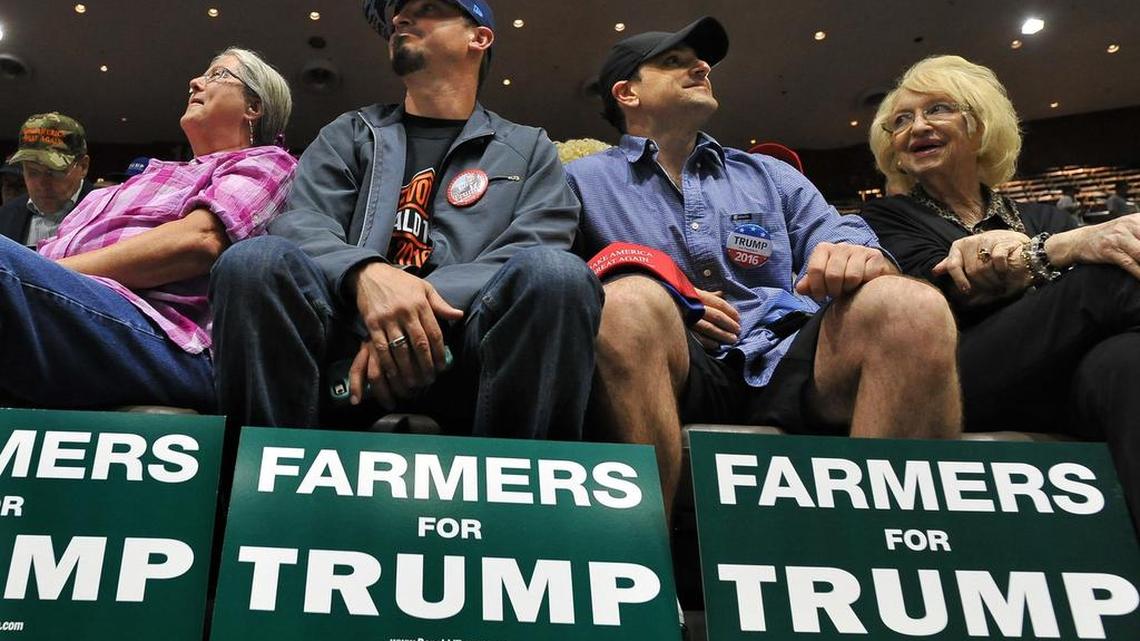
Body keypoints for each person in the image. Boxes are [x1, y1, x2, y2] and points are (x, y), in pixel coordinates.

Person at [565, 17, 962, 515]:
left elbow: (840, 231)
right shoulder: (578, 181)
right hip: (673, 363)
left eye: (701, 63)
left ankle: (894, 564)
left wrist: (855, 253)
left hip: (788, 355)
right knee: (626, 304)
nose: (701, 68)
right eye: (674, 63)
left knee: (910, 304)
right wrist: (655, 284)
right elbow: (556, 275)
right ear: (627, 93)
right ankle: (641, 567)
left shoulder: (768, 174)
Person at [209, 0, 601, 435]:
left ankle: (527, 489)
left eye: (428, 7)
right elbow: (303, 223)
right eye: (399, 14)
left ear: (480, 37)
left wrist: (407, 305)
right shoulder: (351, 132)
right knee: (254, 261)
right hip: (347, 347)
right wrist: (368, 277)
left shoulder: (528, 147)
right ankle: (261, 489)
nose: (400, 19)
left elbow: (538, 241)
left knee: (557, 275)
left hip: (471, 344)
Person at [861, 54, 1140, 529]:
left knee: (1127, 361)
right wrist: (1061, 252)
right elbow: (949, 290)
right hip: (960, 373)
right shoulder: (884, 220)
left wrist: (1046, 250)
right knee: (1109, 275)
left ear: (980, 121)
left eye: (937, 110)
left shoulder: (1046, 218)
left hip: (1062, 377)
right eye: (900, 121)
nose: (916, 128)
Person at [0, 47, 296, 410]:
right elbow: (48, 253)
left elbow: (200, 241)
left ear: (254, 107)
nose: (195, 82)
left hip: (162, 336)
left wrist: (37, 278)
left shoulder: (268, 163)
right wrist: (37, 278)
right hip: (77, 312)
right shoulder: (128, 184)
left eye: (218, 74)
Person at [0, 113, 95, 246]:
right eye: (32, 172)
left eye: (54, 172)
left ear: (83, 166)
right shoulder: (5, 215)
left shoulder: (109, 211)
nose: (42, 184)